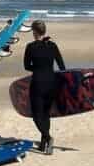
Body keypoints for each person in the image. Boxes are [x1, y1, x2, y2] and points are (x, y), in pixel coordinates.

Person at [23, 20, 65, 154]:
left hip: (38, 83)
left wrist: (37, 68)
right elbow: (62, 66)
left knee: (36, 115)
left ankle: (47, 137)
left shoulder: (30, 47)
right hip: (52, 83)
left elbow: (26, 66)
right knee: (46, 114)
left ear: (34, 32)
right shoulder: (52, 45)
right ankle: (43, 144)